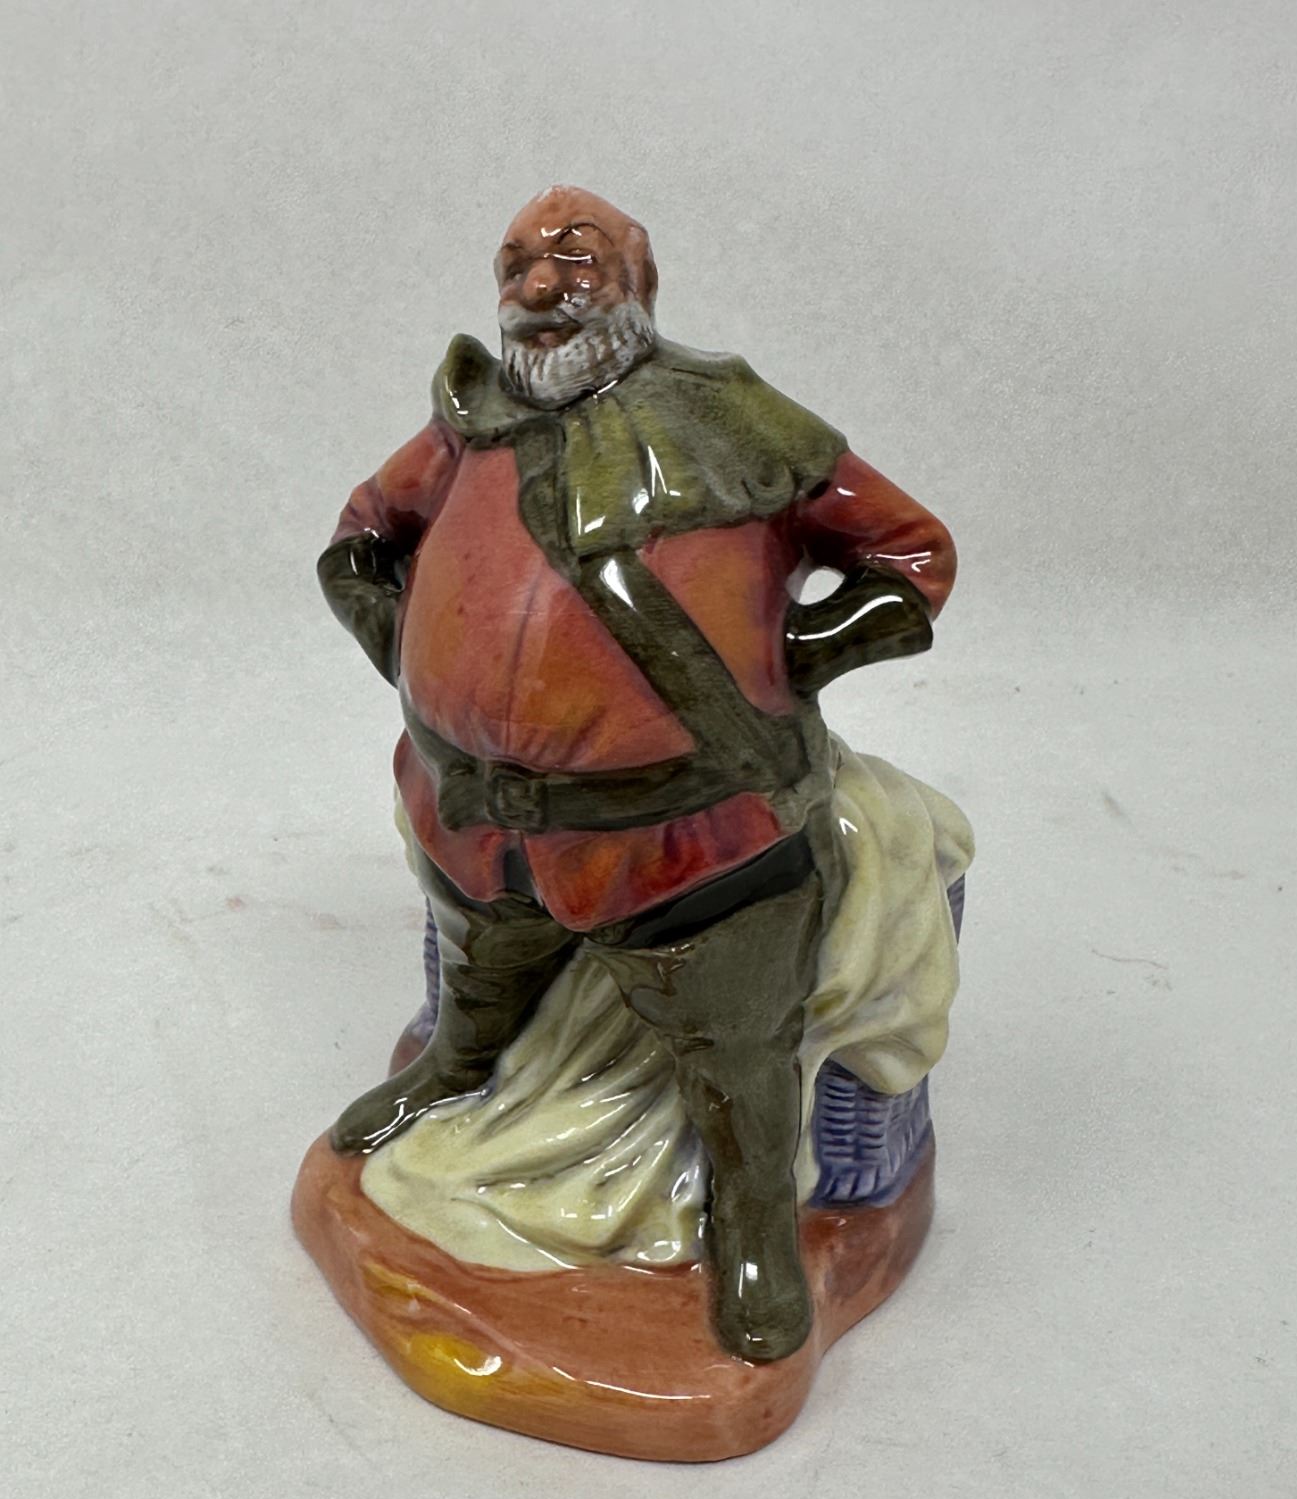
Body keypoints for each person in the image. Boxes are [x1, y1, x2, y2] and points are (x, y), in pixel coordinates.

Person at [318, 186, 956, 1362]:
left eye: (575, 259)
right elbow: (360, 539)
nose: (538, 285)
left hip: (688, 833)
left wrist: (797, 655)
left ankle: (751, 1219)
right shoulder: (469, 423)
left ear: (638, 283)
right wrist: (413, 652)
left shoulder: (736, 417)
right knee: (481, 973)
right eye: (515, 262)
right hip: (475, 816)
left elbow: (910, 554)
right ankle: (454, 1072)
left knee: (734, 1041)